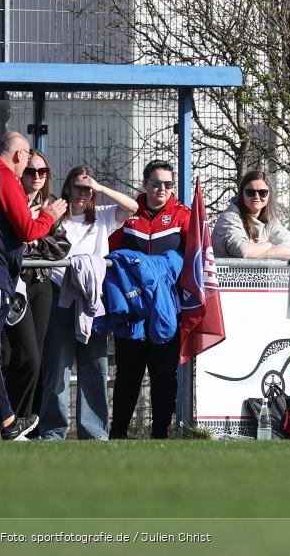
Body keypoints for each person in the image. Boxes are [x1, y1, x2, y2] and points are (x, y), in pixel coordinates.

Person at [39, 166, 138, 440]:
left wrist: (102, 187)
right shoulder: (57, 215)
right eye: (78, 186)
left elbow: (132, 206)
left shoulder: (103, 217)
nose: (83, 193)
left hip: (92, 298)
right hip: (59, 294)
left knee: (95, 366)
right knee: (57, 365)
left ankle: (94, 432)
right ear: (67, 187)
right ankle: (53, 430)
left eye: (87, 188)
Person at [0, 131, 66, 440]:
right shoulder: (4, 177)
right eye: (27, 165)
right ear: (18, 156)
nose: (27, 174)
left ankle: (7, 422)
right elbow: (28, 230)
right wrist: (47, 216)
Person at [109, 160, 190, 439]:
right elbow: (111, 255)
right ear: (145, 184)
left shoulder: (183, 215)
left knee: (164, 376)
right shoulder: (128, 213)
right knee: (128, 375)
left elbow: (199, 256)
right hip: (133, 310)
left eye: (168, 184)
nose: (162, 189)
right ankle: (116, 434)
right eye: (156, 183)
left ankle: (160, 434)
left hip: (166, 310)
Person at [3, 150, 70, 434]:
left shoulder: (51, 206)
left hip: (39, 282)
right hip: (10, 283)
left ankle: (22, 420)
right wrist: (29, 239)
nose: (37, 178)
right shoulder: (9, 200)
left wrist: (34, 245)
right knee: (10, 355)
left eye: (42, 172)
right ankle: (3, 419)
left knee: (35, 356)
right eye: (31, 172)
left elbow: (61, 246)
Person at [211, 170, 290, 260]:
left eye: (263, 192)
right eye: (250, 192)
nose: (257, 196)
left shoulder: (270, 220)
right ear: (242, 194)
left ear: (269, 195)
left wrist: (259, 256)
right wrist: (270, 245)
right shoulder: (229, 219)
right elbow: (243, 251)